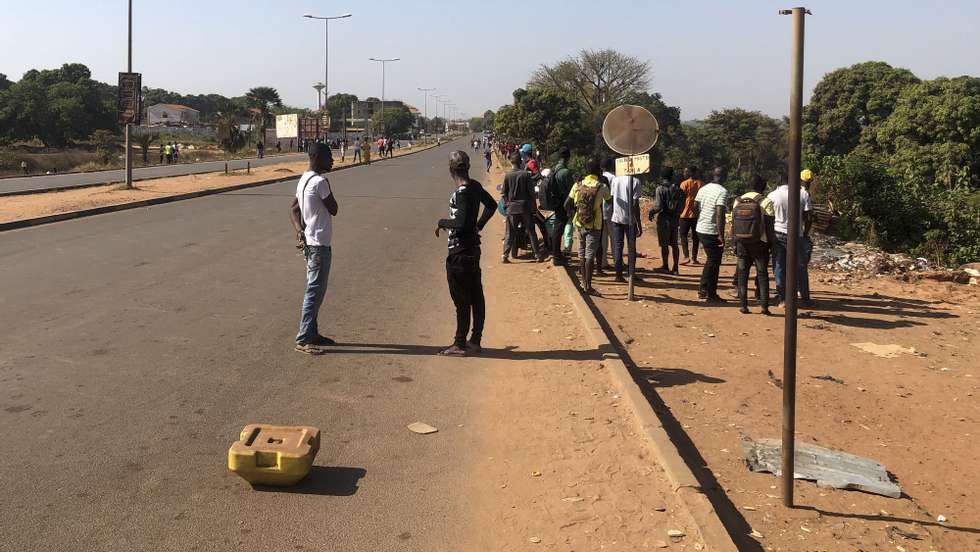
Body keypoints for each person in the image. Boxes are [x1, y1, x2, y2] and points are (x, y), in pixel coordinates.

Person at [435, 151, 498, 356]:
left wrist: (442, 222)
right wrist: (478, 226)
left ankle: (459, 344)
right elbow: (492, 205)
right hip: (472, 249)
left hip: (460, 252)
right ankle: (476, 340)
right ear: (468, 168)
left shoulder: (462, 192)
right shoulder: (475, 187)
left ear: (451, 170)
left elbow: (461, 223)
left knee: (461, 300)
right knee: (476, 296)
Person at [289, 143, 340, 355]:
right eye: (329, 157)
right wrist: (327, 184)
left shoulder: (304, 179)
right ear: (318, 157)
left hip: (311, 242)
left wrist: (300, 231)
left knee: (316, 291)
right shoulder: (319, 182)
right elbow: (334, 209)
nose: (332, 160)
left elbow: (293, 209)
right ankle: (303, 339)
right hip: (318, 245)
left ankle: (313, 333)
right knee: (314, 291)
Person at [565, 158, 612, 295]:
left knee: (581, 253)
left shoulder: (578, 184)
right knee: (590, 255)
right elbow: (610, 201)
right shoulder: (601, 186)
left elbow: (567, 203)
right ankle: (588, 286)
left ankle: (583, 283)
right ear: (599, 171)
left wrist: (575, 212)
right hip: (594, 224)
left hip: (579, 223)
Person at [768, 171, 813, 305]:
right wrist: (805, 233)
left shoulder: (772, 195)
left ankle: (782, 298)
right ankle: (804, 297)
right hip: (797, 235)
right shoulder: (803, 194)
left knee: (779, 265)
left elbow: (769, 217)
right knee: (800, 266)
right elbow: (809, 217)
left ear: (779, 180)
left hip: (778, 234)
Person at [732, 175, 775, 315]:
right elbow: (769, 226)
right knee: (762, 274)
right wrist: (772, 244)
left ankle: (743, 306)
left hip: (742, 243)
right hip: (760, 243)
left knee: (743, 273)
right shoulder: (766, 201)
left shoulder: (737, 201)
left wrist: (735, 243)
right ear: (763, 187)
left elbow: (734, 225)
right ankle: (764, 307)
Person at [694, 167, 729, 303]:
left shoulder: (703, 188)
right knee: (714, 262)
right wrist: (721, 234)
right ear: (723, 176)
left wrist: (701, 219)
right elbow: (720, 213)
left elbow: (695, 207)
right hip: (712, 230)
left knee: (711, 260)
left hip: (701, 228)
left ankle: (703, 289)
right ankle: (711, 293)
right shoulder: (723, 192)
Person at [501, 153, 544, 263]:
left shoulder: (508, 175)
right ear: (521, 162)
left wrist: (507, 205)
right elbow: (531, 193)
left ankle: (504, 255)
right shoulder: (526, 175)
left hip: (512, 209)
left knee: (509, 233)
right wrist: (534, 208)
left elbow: (504, 194)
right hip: (525, 208)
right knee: (531, 231)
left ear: (511, 163)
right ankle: (537, 255)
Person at [608, 163, 643, 284]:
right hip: (629, 220)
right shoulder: (635, 181)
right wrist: (638, 222)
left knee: (618, 246)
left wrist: (614, 213)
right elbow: (635, 205)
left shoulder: (615, 180)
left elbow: (613, 199)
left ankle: (618, 275)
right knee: (631, 246)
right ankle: (631, 273)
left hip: (616, 218)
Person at [649, 167, 682, 274]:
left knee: (664, 244)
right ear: (672, 176)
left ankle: (665, 266)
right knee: (675, 244)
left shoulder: (660, 189)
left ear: (662, 176)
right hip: (675, 219)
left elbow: (658, 206)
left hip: (664, 219)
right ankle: (676, 268)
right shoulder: (677, 189)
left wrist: (652, 212)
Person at [551, 147, 575, 266]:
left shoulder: (555, 168)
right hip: (563, 204)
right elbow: (571, 192)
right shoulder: (565, 172)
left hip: (556, 202)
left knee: (558, 229)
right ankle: (556, 256)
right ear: (568, 157)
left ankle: (557, 254)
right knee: (559, 229)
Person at [678, 167, 703, 265]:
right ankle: (694, 258)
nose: (684, 173)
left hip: (684, 214)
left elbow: (680, 199)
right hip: (697, 215)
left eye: (686, 171)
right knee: (696, 237)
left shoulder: (684, 184)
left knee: (683, 236)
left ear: (690, 173)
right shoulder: (701, 184)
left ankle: (686, 256)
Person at [598, 158, 616, 274]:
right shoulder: (613, 178)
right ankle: (617, 261)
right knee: (614, 238)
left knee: (603, 238)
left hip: (600, 211)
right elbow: (613, 195)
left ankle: (604, 262)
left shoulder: (599, 177)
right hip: (611, 210)